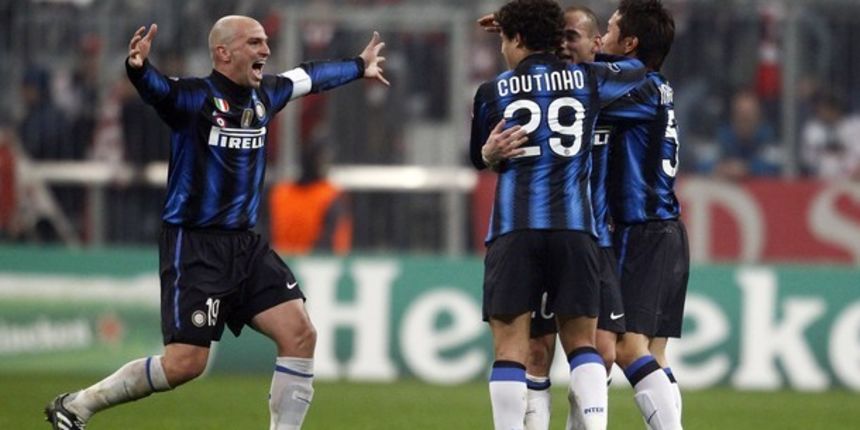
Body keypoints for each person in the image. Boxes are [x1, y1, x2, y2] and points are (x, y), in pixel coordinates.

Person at [44, 15, 388, 430]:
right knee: (185, 364)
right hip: (194, 246)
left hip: (244, 245)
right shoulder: (193, 99)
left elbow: (310, 76)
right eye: (255, 43)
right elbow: (158, 91)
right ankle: (79, 404)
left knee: (300, 334)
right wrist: (137, 69)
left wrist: (358, 64)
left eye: (266, 42)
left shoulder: (268, 95)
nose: (266, 51)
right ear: (224, 52)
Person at [470, 1, 644, 429]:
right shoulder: (589, 79)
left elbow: (478, 158)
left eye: (506, 41)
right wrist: (593, 47)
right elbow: (638, 69)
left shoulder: (493, 91)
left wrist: (487, 154)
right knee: (582, 343)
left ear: (513, 39)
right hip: (575, 229)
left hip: (515, 230)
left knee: (511, 348)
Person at [598, 1, 686, 429]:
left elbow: (582, 91)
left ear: (629, 43)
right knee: (656, 353)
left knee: (628, 348)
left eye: (609, 29)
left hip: (642, 229)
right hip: (668, 229)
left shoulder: (634, 86)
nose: (601, 36)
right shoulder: (659, 85)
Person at [269, 141, 352, 254]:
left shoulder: (331, 195)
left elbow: (334, 243)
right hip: (282, 261)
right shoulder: (280, 193)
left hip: (313, 265)